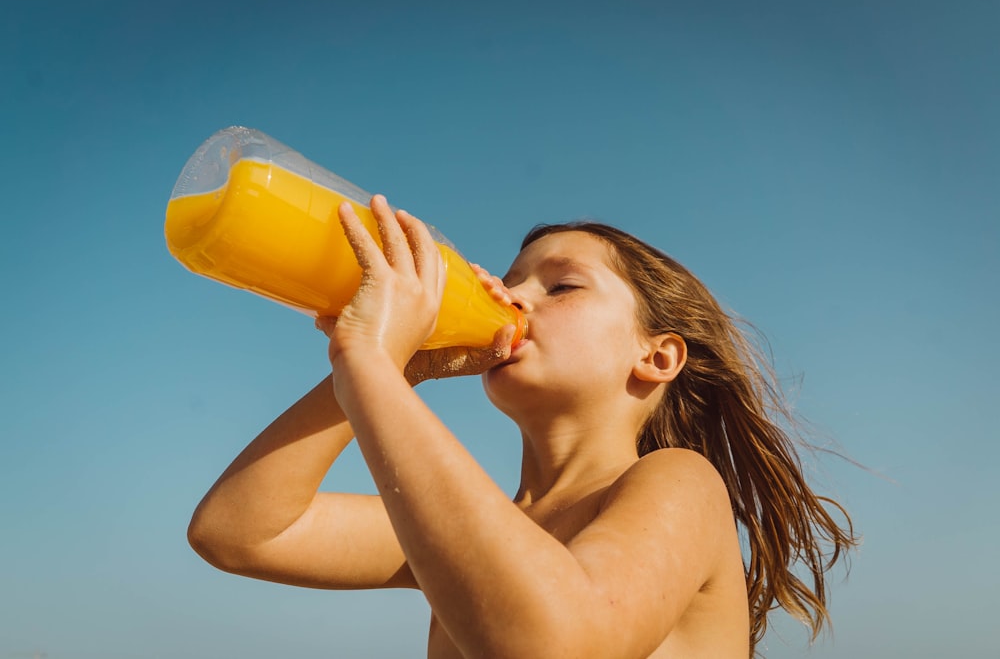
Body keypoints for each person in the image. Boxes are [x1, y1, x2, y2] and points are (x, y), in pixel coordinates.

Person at [187, 194, 857, 658]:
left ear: (656, 357)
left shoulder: (679, 482)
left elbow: (553, 643)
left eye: (560, 287)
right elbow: (240, 531)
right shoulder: (482, 529)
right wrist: (402, 366)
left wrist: (368, 363)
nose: (512, 299)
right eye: (508, 283)